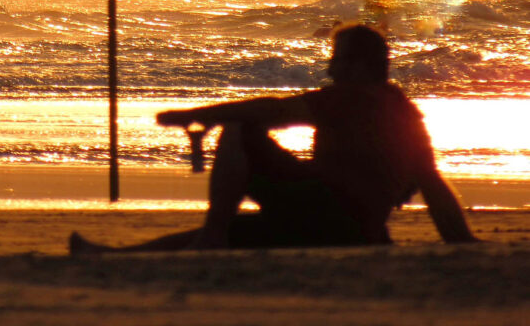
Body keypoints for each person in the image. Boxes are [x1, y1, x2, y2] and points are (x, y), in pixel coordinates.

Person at [70, 24, 476, 254]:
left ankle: (210, 239)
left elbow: (274, 111)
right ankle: (122, 255)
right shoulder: (405, 112)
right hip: (353, 229)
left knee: (240, 129)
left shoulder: (353, 98)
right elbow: (433, 185)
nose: (330, 66)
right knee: (242, 232)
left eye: (337, 57)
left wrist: (198, 116)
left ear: (357, 66)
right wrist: (461, 242)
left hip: (327, 210)